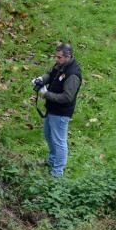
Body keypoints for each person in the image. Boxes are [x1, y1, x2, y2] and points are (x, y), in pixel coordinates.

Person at [33, 43, 82, 178]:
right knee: (49, 136)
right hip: (52, 109)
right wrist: (41, 79)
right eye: (56, 56)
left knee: (59, 141)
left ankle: (57, 172)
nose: (56, 59)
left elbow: (67, 97)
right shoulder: (61, 65)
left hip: (61, 113)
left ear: (68, 56)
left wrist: (46, 94)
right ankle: (52, 160)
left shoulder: (72, 75)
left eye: (59, 57)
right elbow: (51, 74)